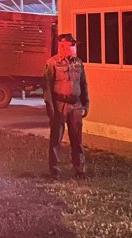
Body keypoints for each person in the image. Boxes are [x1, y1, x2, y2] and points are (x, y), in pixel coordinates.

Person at [45, 33, 89, 178]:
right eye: (72, 45)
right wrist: (51, 108)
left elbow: (83, 84)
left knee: (77, 139)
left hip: (75, 105)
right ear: (62, 46)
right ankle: (55, 171)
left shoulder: (78, 62)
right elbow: (47, 87)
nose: (74, 48)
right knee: (56, 139)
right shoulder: (52, 63)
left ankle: (80, 170)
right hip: (59, 105)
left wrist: (86, 103)